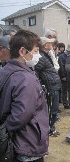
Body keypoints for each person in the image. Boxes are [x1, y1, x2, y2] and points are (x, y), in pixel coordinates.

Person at [0, 29, 49, 161]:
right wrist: (5, 129)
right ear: (22, 52)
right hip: (27, 141)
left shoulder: (5, 70)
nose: (38, 55)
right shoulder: (26, 78)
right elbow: (21, 114)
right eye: (35, 51)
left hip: (12, 142)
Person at [34, 37, 62, 136]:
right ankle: (50, 129)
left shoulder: (46, 55)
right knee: (51, 110)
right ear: (45, 45)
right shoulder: (41, 57)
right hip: (50, 87)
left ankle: (51, 128)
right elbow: (36, 73)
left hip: (53, 85)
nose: (52, 45)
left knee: (53, 110)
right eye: (50, 43)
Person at [58, 43, 70, 109]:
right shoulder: (62, 57)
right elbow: (61, 67)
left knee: (69, 89)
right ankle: (65, 103)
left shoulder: (69, 56)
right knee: (64, 90)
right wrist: (63, 76)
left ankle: (68, 102)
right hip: (64, 75)